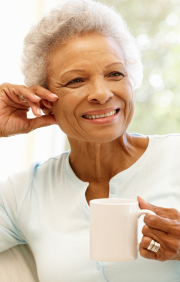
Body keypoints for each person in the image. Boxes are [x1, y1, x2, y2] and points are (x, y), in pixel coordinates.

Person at [0, 0, 180, 281]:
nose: (101, 93)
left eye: (115, 74)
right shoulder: (24, 193)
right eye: (75, 80)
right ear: (45, 100)